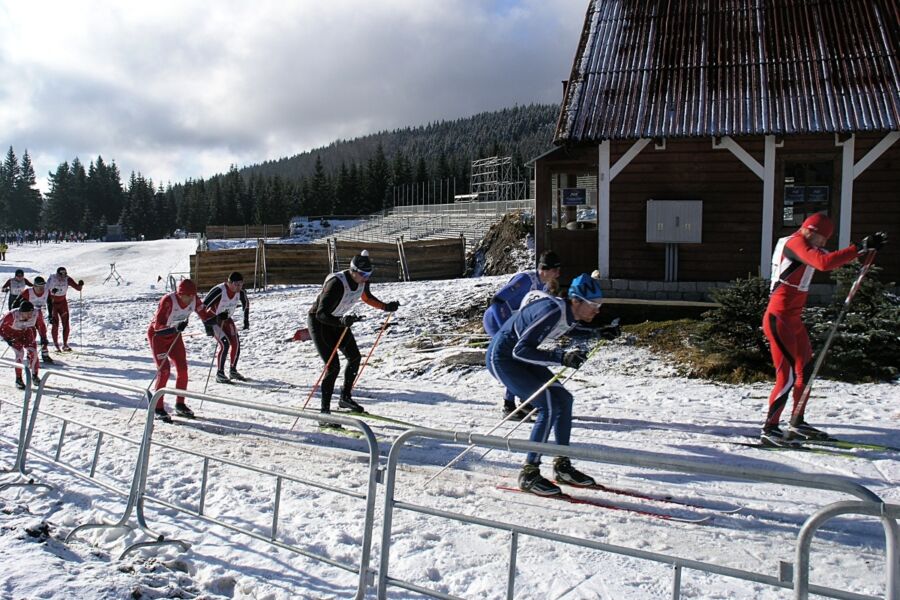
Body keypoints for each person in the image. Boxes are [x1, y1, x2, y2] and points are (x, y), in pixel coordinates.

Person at [761, 213, 887, 445]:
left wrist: (865, 248)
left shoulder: (808, 245)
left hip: (793, 320)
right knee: (786, 377)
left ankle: (797, 421)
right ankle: (770, 429)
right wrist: (859, 247)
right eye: (822, 238)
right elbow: (824, 263)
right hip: (778, 319)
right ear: (810, 230)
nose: (824, 243)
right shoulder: (796, 242)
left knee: (806, 373)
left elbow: (833, 258)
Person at [486, 273, 603, 496]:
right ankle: (529, 473)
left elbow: (569, 328)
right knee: (548, 405)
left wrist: (599, 332)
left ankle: (562, 465)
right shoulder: (552, 310)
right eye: (594, 305)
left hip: (519, 358)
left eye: (600, 305)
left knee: (564, 400)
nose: (597, 310)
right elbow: (520, 350)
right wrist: (561, 358)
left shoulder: (566, 313)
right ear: (576, 301)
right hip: (503, 359)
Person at [307, 250, 399, 426]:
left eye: (369, 274)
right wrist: (341, 320)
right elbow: (321, 313)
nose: (366, 278)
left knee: (355, 357)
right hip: (320, 323)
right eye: (363, 274)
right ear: (353, 271)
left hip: (339, 322)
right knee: (333, 367)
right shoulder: (336, 283)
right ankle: (324, 415)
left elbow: (366, 297)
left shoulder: (362, 281)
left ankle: (345, 398)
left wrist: (386, 307)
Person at [483, 250, 562, 419]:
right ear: (544, 269)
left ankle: (524, 400)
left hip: (514, 323)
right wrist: (504, 328)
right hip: (496, 319)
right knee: (512, 359)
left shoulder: (546, 286)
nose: (558, 274)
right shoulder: (525, 279)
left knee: (524, 357)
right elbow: (497, 300)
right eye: (555, 270)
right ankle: (508, 405)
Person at [147, 279, 215, 422]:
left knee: (183, 369)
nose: (190, 299)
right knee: (164, 371)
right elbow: (157, 326)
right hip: (158, 337)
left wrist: (216, 318)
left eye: (192, 295)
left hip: (175, 336)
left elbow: (205, 315)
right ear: (179, 294)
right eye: (186, 296)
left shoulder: (194, 300)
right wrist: (174, 328)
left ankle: (180, 404)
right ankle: (157, 407)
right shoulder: (168, 300)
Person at [202, 271, 250, 383]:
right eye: (236, 284)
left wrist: (246, 320)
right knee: (225, 344)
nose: (239, 287)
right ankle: (220, 373)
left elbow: (246, 304)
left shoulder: (240, 292)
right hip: (213, 320)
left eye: (241, 284)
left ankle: (233, 370)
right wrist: (207, 326)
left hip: (226, 319)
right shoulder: (219, 291)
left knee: (236, 343)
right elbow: (203, 307)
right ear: (229, 283)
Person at [0, 300, 39, 390]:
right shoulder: (11, 315)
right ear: (21, 312)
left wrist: (44, 337)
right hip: (12, 333)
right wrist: (7, 338)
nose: (30, 315)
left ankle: (35, 376)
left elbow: (41, 325)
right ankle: (18, 379)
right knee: (20, 353)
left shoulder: (36, 313)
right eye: (27, 313)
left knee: (33, 352)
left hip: (26, 332)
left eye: (31, 312)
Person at [14, 276, 52, 363]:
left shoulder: (46, 291)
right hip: (27, 316)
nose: (41, 288)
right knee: (31, 335)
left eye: (43, 286)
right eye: (39, 286)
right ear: (34, 286)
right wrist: (19, 316)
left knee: (43, 333)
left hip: (38, 314)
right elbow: (15, 304)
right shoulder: (28, 292)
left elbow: (50, 303)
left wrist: (50, 315)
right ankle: (30, 354)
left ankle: (45, 354)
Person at [46, 266, 84, 351]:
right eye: (61, 275)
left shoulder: (67, 279)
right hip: (53, 303)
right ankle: (56, 344)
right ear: (57, 274)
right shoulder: (52, 278)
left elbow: (78, 288)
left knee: (66, 323)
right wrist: (51, 291)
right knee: (55, 324)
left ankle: (65, 344)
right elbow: (45, 289)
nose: (63, 277)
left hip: (63, 303)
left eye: (64, 274)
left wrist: (80, 285)